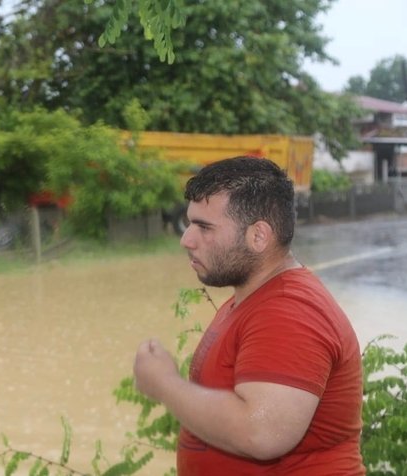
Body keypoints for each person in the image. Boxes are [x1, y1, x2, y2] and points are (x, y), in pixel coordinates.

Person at [133, 157, 365, 475]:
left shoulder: (289, 311)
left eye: (204, 227)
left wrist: (164, 384)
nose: (186, 239)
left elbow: (263, 434)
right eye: (190, 223)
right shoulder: (252, 298)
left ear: (258, 236)